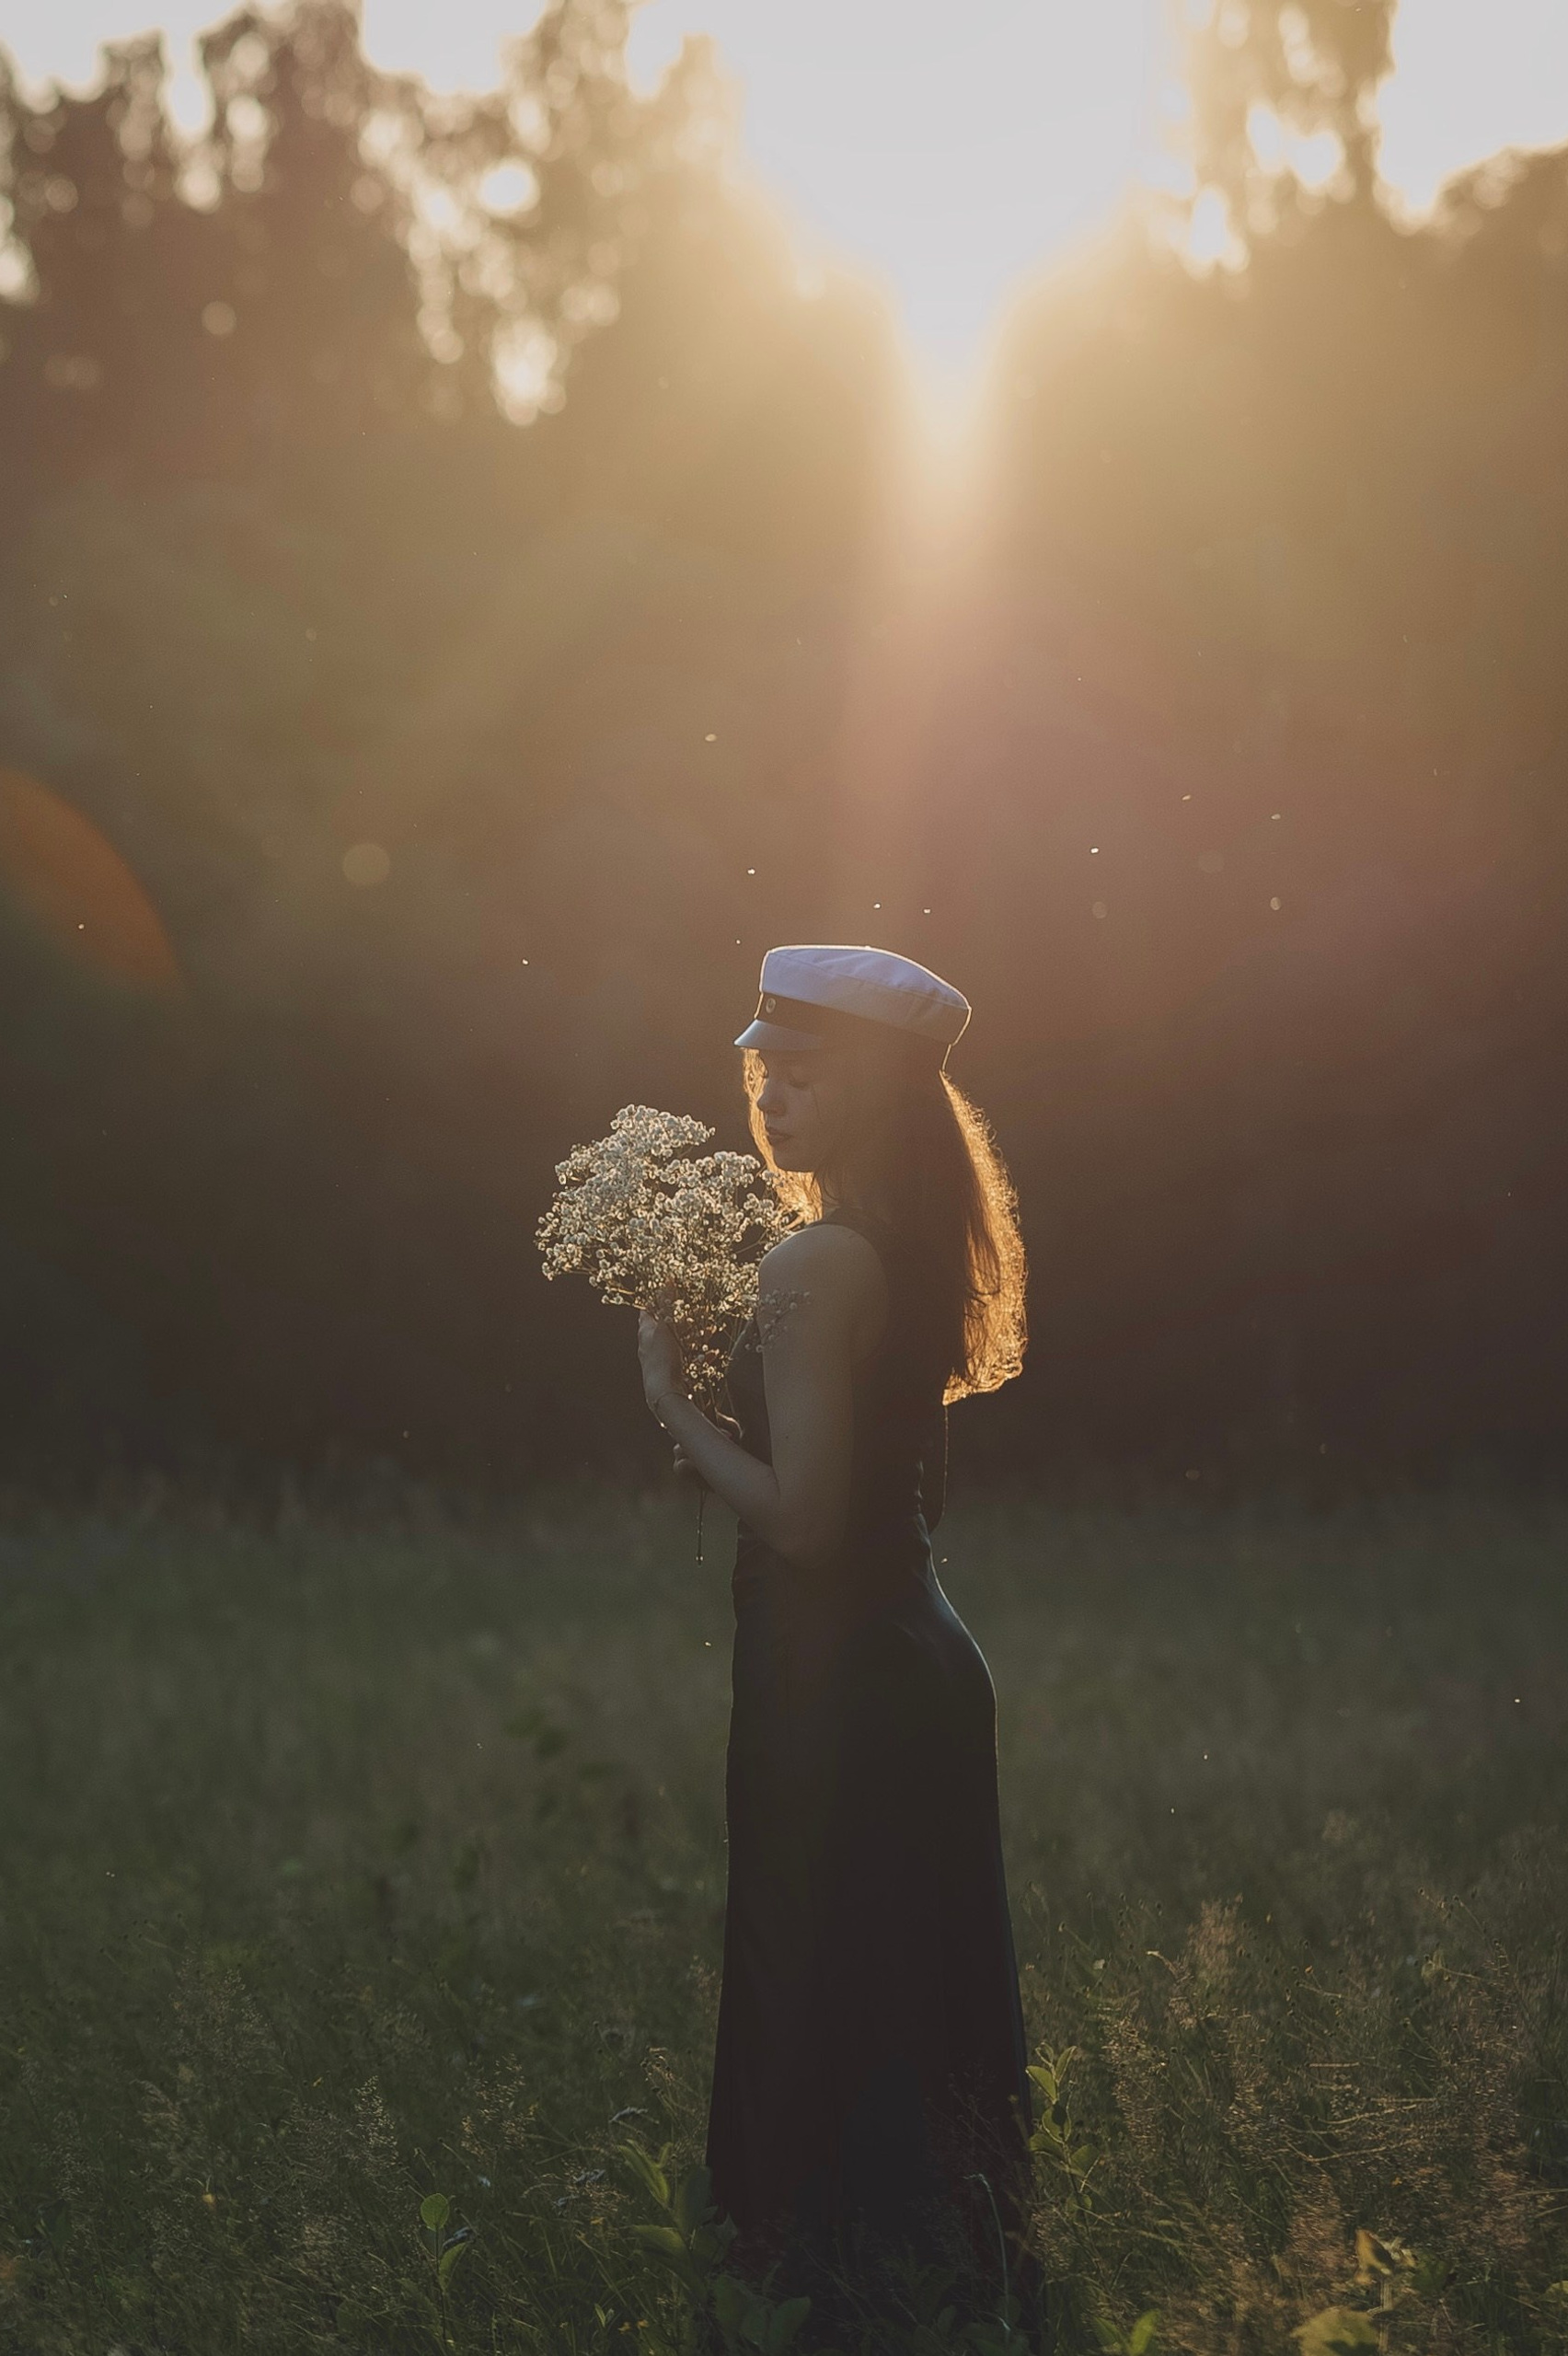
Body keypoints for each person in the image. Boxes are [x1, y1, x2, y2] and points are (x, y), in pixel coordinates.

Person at [634, 942, 1041, 2342]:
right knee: (911, 1984)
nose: (773, 1096)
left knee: (814, 1975)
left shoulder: (816, 1259)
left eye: (806, 1075)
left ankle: (815, 2297)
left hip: (836, 1682)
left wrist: (670, 1402)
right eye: (764, 1069)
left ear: (875, 1090)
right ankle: (945, 2289)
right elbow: (895, 1498)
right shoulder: (907, 1248)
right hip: (917, 1654)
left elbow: (803, 1527)